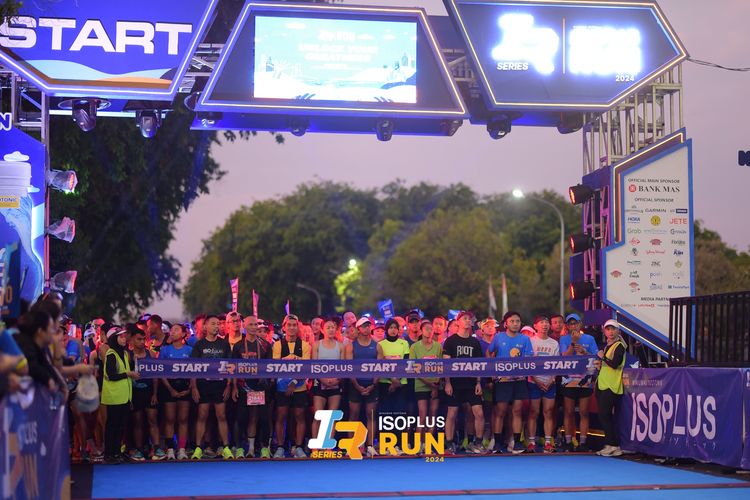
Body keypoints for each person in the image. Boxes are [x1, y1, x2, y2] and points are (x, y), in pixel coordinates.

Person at [488, 311, 532, 454]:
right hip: (502, 380)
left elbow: (529, 359)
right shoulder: (498, 337)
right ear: (506, 323)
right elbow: (489, 352)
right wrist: (492, 370)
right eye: (512, 321)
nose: (515, 324)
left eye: (517, 321)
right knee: (500, 412)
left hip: (519, 380)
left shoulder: (525, 339)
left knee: (517, 411)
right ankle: (497, 443)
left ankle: (517, 443)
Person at [190, 315, 233, 460]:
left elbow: (231, 366)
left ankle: (225, 447)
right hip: (203, 385)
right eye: (213, 324)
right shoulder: (199, 345)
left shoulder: (224, 344)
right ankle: (198, 448)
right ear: (205, 327)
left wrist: (228, 385)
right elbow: (192, 367)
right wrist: (194, 387)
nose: (216, 326)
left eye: (218, 324)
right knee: (202, 416)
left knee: (221, 415)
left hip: (220, 384)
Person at [442, 311, 484, 455]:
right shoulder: (450, 341)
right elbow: (446, 364)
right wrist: (447, 383)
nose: (467, 321)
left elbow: (479, 364)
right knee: (452, 413)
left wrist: (478, 382)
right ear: (458, 322)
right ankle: (449, 444)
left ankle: (477, 443)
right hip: (455, 383)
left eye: (469, 319)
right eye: (464, 318)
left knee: (478, 413)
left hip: (471, 383)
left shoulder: (475, 342)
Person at [232, 315, 272, 459]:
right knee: (242, 418)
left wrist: (266, 380)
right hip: (244, 387)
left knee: (263, 419)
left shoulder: (265, 345)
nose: (254, 327)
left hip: (261, 387)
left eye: (256, 325)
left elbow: (270, 366)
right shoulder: (238, 346)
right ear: (244, 326)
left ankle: (263, 448)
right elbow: (233, 368)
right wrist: (234, 386)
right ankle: (241, 448)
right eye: (251, 325)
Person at [272, 314, 311, 458]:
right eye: (289, 325)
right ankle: (280, 447)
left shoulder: (305, 345)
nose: (292, 327)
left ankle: (298, 447)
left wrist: (293, 383)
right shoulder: (277, 345)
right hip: (281, 387)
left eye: (294, 325)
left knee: (300, 416)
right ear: (284, 327)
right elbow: (274, 366)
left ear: (298, 327)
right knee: (281, 416)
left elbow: (306, 368)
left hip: (299, 387)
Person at [559, 313, 598, 452]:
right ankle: (568, 441)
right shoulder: (563, 339)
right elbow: (564, 356)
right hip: (568, 379)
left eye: (575, 323)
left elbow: (596, 357)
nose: (573, 326)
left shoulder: (589, 338)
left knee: (583, 412)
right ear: (567, 326)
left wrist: (584, 351)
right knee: (568, 411)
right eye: (570, 324)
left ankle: (583, 442)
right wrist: (573, 343)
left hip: (585, 379)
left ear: (580, 324)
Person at [101, 327, 139, 464]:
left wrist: (133, 362)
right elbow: (111, 375)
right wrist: (128, 374)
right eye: (121, 337)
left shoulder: (124, 353)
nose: (124, 339)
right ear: (114, 339)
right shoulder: (111, 354)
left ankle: (117, 452)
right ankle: (109, 454)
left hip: (124, 396)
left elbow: (126, 370)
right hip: (114, 396)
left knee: (120, 426)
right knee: (112, 426)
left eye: (124, 337)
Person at [344, 316, 379, 457]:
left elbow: (381, 368)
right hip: (355, 385)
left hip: (372, 385)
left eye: (368, 325)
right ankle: (352, 446)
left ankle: (370, 446)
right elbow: (349, 368)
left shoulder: (377, 345)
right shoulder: (351, 346)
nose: (367, 328)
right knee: (353, 415)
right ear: (358, 329)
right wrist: (357, 386)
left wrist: (373, 385)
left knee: (371, 415)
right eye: (364, 326)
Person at [130, 328, 166, 461]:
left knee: (153, 420)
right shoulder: (128, 355)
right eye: (138, 339)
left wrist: (155, 394)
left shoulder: (150, 353)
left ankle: (157, 448)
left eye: (143, 339)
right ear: (132, 340)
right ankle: (139, 450)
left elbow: (155, 375)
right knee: (137, 421)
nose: (141, 342)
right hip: (135, 393)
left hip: (149, 392)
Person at [526, 315, 560, 454]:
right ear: (535, 326)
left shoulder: (554, 343)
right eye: (541, 322)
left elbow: (557, 363)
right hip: (534, 382)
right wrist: (536, 380)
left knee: (548, 412)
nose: (545, 325)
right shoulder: (530, 341)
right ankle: (531, 442)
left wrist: (552, 379)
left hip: (550, 382)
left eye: (546, 323)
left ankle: (547, 442)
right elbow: (527, 364)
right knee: (533, 412)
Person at [160, 324, 193, 460]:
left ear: (184, 334)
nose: (172, 332)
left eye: (176, 330)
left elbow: (196, 370)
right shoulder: (165, 350)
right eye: (171, 330)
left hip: (185, 386)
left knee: (183, 419)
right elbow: (161, 371)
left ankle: (182, 449)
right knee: (170, 419)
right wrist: (170, 389)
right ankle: (170, 450)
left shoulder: (190, 350)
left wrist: (189, 389)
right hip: (169, 387)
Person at [378, 317, 411, 449]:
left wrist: (397, 381)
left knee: (400, 414)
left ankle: (399, 444)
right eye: (391, 328)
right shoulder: (381, 344)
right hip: (385, 383)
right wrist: (391, 380)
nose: (393, 330)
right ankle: (386, 444)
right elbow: (380, 365)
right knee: (386, 414)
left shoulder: (404, 343)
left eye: (395, 328)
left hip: (401, 383)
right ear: (387, 330)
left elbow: (406, 363)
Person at [410, 319, 442, 452]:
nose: (429, 331)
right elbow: (413, 368)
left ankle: (428, 444)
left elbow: (442, 366)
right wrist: (428, 383)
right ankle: (419, 444)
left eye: (431, 329)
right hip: (421, 385)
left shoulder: (438, 346)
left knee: (432, 415)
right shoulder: (414, 347)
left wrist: (435, 385)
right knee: (422, 415)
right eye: (427, 329)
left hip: (436, 385)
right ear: (421, 331)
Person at [596, 319, 627, 457]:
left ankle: (614, 445)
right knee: (604, 415)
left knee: (606, 415)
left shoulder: (619, 346)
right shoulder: (608, 346)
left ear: (618, 331)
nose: (611, 332)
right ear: (604, 331)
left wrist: (603, 357)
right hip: (603, 384)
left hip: (612, 385)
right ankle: (609, 444)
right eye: (608, 329)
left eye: (613, 329)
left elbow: (615, 364)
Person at [310, 317, 343, 447]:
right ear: (323, 330)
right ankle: (316, 447)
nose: (331, 330)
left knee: (332, 417)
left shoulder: (340, 346)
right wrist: (323, 380)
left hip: (336, 384)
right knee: (318, 416)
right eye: (328, 327)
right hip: (319, 383)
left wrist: (336, 380)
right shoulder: (316, 345)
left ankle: (328, 446)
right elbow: (314, 365)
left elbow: (344, 367)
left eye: (333, 327)